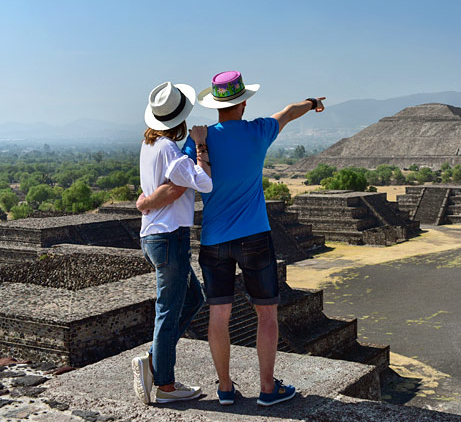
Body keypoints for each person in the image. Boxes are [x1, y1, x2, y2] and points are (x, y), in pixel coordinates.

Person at [136, 71, 325, 407]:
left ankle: (225, 388)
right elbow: (288, 112)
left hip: (214, 241)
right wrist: (312, 103)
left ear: (215, 104)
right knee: (266, 314)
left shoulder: (198, 140)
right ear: (244, 102)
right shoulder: (259, 131)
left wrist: (146, 202)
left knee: (218, 315)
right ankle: (267, 388)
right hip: (254, 236)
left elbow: (175, 183)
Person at [131, 81, 213, 405]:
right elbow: (203, 183)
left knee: (193, 298)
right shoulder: (170, 150)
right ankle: (164, 385)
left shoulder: (148, 145)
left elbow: (162, 190)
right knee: (167, 311)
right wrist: (201, 145)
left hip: (153, 236)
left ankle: (155, 357)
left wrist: (148, 201)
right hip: (170, 237)